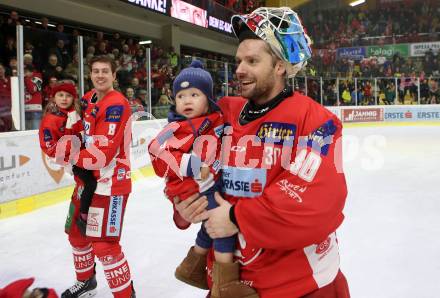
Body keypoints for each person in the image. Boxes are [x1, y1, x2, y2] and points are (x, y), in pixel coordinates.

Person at [173, 7, 350, 298]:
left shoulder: (318, 122)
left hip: (298, 287)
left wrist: (236, 217)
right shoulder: (223, 113)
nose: (239, 69)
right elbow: (187, 162)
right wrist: (184, 205)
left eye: (252, 60)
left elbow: (315, 199)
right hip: (227, 283)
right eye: (239, 60)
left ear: (279, 66)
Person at [148, 60, 258, 298]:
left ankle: (192, 266)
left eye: (194, 94)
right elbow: (155, 150)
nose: (186, 101)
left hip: (208, 185)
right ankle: (224, 285)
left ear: (208, 98)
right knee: (222, 226)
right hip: (190, 188)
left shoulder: (217, 118)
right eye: (181, 96)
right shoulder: (174, 127)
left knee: (212, 225)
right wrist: (191, 163)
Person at [60, 55, 135, 298]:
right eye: (95, 71)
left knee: (104, 246)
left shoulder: (117, 104)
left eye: (105, 71)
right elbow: (73, 119)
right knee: (76, 233)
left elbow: (102, 154)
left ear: (114, 75)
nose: (100, 75)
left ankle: (125, 295)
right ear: (90, 74)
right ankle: (86, 282)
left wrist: (70, 156)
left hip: (110, 183)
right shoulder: (88, 98)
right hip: (86, 181)